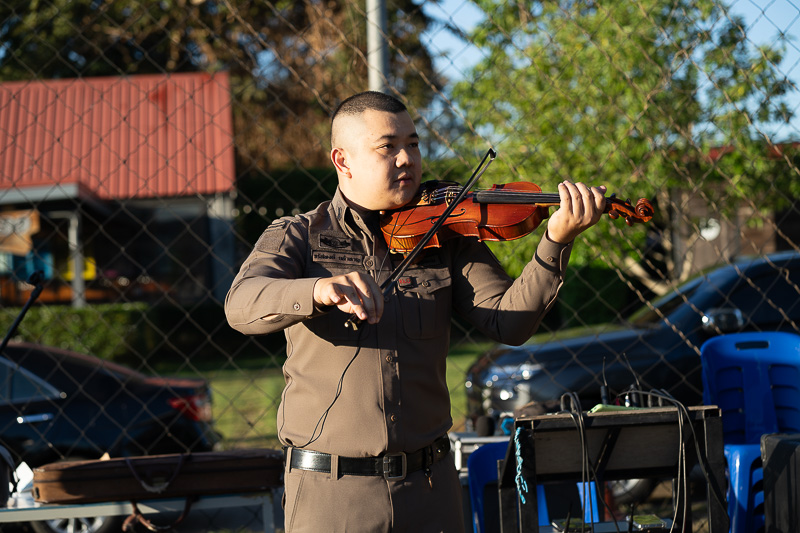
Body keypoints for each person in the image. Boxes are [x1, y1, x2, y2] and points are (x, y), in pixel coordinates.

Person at [225, 90, 606, 532]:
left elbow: (510, 321)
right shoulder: (298, 235)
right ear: (342, 161)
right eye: (388, 147)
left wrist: (556, 241)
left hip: (430, 489)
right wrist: (319, 290)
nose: (407, 158)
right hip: (332, 495)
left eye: (414, 143)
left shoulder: (447, 232)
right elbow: (242, 304)